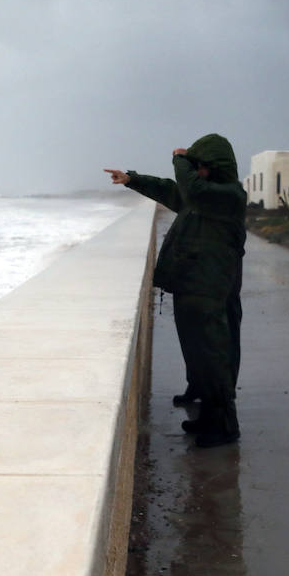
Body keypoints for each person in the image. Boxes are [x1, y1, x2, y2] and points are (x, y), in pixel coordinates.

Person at [105, 134, 246, 447]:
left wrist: (180, 158)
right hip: (191, 286)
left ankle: (224, 428)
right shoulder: (203, 195)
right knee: (199, 358)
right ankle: (208, 418)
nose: (196, 172)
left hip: (209, 288)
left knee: (214, 357)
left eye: (201, 167)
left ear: (216, 167)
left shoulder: (227, 195)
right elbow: (170, 189)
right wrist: (132, 179)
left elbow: (190, 187)